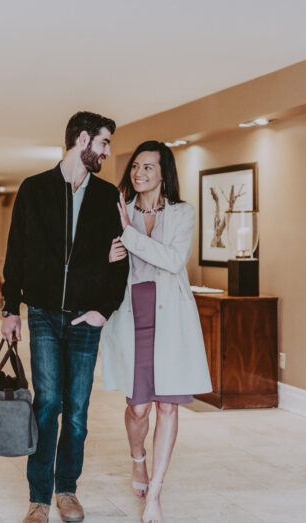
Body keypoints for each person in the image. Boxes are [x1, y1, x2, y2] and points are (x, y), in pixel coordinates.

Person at [1, 111, 129, 523]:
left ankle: (67, 490)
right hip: (41, 314)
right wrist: (10, 307)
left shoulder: (108, 196)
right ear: (83, 139)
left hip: (84, 319)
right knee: (47, 403)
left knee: (76, 410)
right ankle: (39, 498)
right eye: (104, 142)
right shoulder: (34, 189)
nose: (108, 152)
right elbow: (16, 253)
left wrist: (103, 311)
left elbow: (118, 262)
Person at [101, 140, 212, 523]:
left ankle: (156, 494)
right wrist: (111, 255)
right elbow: (106, 263)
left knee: (167, 404)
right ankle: (138, 461)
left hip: (171, 318)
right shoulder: (120, 210)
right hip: (133, 313)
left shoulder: (183, 213)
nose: (139, 173)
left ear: (164, 173)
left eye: (149, 167)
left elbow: (173, 260)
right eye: (135, 166)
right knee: (138, 406)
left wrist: (129, 237)